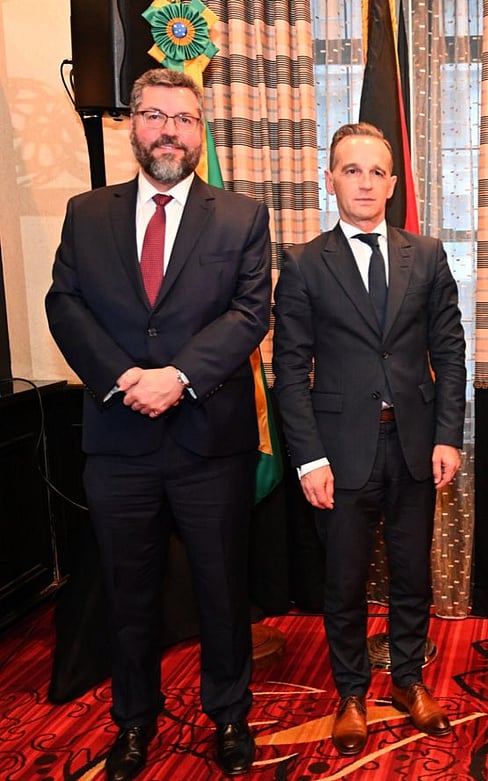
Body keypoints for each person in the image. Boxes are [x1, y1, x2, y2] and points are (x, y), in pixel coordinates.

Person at [45, 68, 271, 780]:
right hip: (119, 444)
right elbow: (64, 304)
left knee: (222, 590)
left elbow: (249, 312)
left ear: (201, 130)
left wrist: (176, 377)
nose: (170, 129)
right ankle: (133, 723)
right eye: (154, 115)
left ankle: (229, 715)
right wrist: (121, 378)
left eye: (184, 117)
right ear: (133, 125)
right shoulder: (87, 212)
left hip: (211, 441)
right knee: (128, 590)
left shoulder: (240, 215)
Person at [273, 123, 466, 757]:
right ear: (331, 181)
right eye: (350, 170)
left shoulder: (428, 255)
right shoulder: (303, 263)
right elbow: (290, 370)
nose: (364, 182)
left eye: (375, 171)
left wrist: (447, 436)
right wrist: (308, 458)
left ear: (391, 182)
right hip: (339, 452)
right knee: (344, 580)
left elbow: (450, 352)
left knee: (413, 575)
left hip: (414, 447)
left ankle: (409, 681)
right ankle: (352, 692)